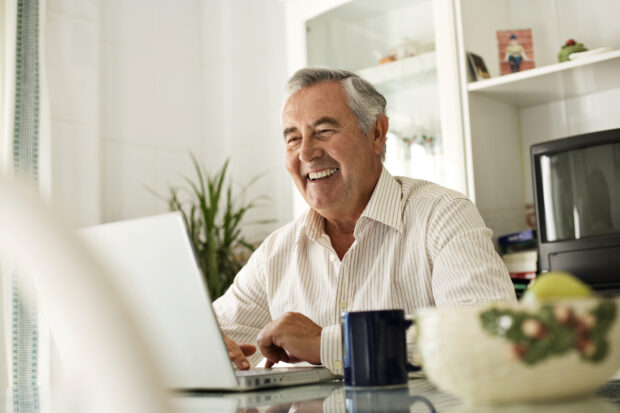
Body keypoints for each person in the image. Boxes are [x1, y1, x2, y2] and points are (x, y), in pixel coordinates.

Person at [213, 67, 517, 375]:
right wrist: (211, 347)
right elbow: (211, 332)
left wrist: (326, 344)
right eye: (293, 138)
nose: (306, 152)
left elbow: (489, 338)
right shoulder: (276, 253)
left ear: (376, 133)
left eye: (324, 131)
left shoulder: (443, 215)